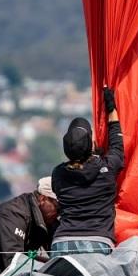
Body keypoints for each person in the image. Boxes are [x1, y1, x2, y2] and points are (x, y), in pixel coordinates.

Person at [50, 87, 124, 257]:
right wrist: (111, 108)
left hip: (61, 243)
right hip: (98, 241)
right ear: (91, 146)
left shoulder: (58, 174)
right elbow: (117, 145)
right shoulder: (107, 169)